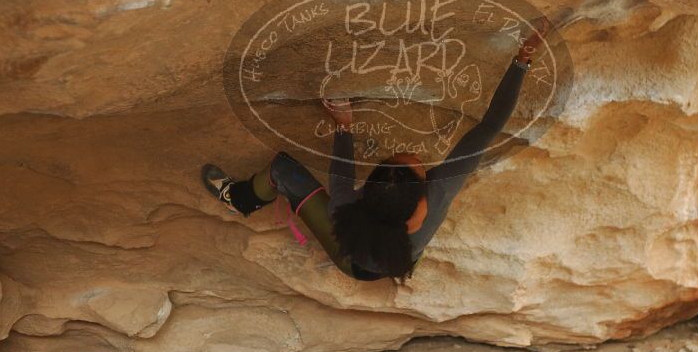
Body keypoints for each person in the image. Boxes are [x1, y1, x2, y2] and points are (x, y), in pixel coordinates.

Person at [203, 23, 550, 281]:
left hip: (356, 265)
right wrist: (523, 60)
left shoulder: (349, 207)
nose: (411, 152)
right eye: (415, 163)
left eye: (406, 160)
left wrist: (344, 123)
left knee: (283, 169)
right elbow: (488, 128)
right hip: (400, 256)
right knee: (404, 254)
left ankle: (243, 198)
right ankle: (404, 268)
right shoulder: (440, 192)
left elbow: (343, 171)